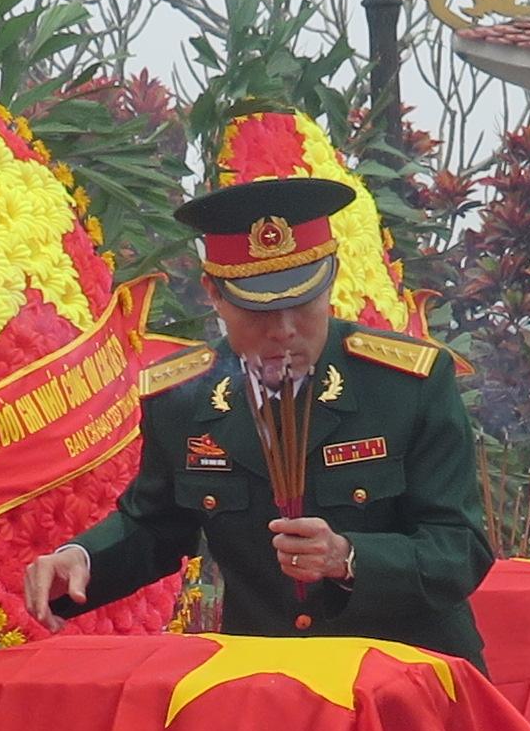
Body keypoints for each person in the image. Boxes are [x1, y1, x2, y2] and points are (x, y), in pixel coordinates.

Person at [29, 176, 494, 661]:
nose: (284, 331)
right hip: (268, 683)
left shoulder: (404, 386)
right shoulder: (184, 399)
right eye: (258, 312)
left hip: (408, 674)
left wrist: (348, 557)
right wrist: (77, 561)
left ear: (330, 279)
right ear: (215, 295)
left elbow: (459, 548)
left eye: (301, 305)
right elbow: (154, 526)